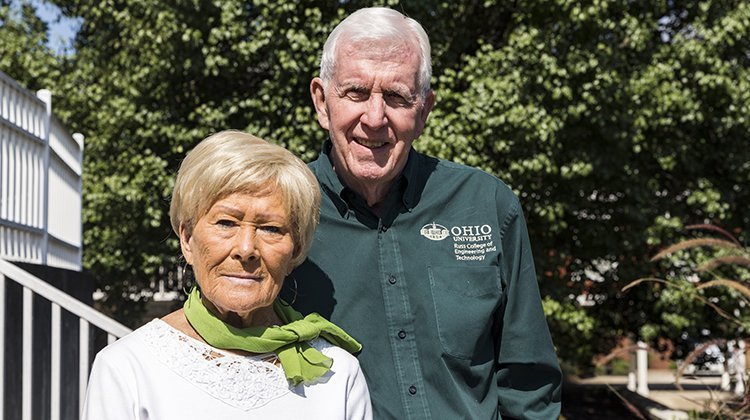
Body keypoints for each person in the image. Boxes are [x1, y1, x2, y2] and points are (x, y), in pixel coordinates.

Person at [282, 7, 562, 419]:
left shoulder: (486, 204)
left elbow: (528, 384)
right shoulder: (281, 214)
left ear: (425, 109)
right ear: (322, 102)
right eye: (356, 92)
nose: (374, 119)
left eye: (396, 97)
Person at [82, 130, 372, 419]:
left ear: (295, 250)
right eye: (226, 223)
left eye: (271, 228)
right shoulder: (128, 369)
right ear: (187, 239)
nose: (246, 249)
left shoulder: (336, 374)